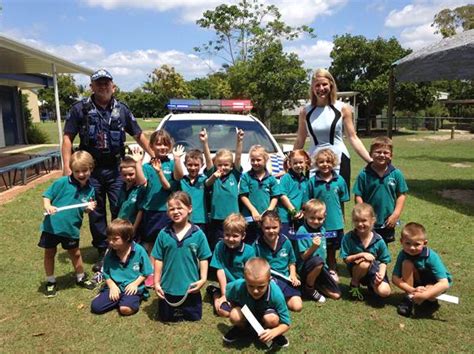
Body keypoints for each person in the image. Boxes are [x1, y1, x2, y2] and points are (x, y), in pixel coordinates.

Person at [62, 69, 154, 272]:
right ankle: (104, 251)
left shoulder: (122, 109)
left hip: (116, 169)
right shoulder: (80, 109)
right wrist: (67, 167)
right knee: (95, 211)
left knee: (121, 208)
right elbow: (68, 137)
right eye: (99, 83)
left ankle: (125, 246)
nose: (103, 86)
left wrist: (154, 154)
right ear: (91, 86)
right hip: (90, 171)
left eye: (106, 83)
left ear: (113, 86)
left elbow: (138, 134)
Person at [293, 68, 372, 189]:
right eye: (317, 85)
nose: (321, 88)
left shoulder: (343, 108)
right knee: (313, 204)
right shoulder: (305, 111)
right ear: (313, 88)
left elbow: (353, 138)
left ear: (331, 84)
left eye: (324, 84)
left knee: (337, 202)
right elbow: (300, 139)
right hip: (313, 161)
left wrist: (370, 161)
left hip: (339, 159)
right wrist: (289, 162)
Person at [39, 151, 97, 297]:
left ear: (91, 168)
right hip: (52, 227)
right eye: (77, 171)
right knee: (49, 253)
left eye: (85, 170)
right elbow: (47, 196)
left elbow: (85, 208)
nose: (81, 174)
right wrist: (48, 206)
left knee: (75, 253)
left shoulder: (90, 189)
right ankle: (51, 281)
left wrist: (88, 209)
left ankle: (80, 277)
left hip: (71, 228)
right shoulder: (62, 182)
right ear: (72, 169)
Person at [152, 192, 211, 322]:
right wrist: (156, 282)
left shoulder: (198, 234)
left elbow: (203, 258)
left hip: (190, 288)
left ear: (189, 208)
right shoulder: (163, 234)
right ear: (167, 212)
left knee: (194, 317)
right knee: (166, 318)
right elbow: (158, 259)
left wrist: (203, 279)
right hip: (168, 288)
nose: (176, 212)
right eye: (172, 209)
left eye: (180, 208)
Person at [223, 257, 291, 348]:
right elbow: (228, 294)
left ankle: (271, 333)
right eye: (250, 286)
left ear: (269, 280)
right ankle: (242, 329)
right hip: (247, 313)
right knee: (234, 315)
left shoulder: (277, 294)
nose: (255, 291)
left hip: (267, 316)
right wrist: (234, 307)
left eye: (261, 287)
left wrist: (274, 332)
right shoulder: (238, 285)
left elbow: (286, 323)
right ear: (245, 279)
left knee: (272, 319)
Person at [91, 219, 153, 316]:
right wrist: (112, 286)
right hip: (115, 286)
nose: (111, 242)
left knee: (125, 309)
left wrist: (135, 284)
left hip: (131, 287)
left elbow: (146, 272)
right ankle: (116, 298)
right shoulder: (110, 253)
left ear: (127, 237)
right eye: (109, 238)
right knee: (96, 307)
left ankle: (129, 299)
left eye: (115, 239)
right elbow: (106, 273)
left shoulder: (139, 250)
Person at [353, 136, 408, 243]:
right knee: (366, 243)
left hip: (387, 220)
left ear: (391, 155)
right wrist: (363, 214)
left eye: (386, 152)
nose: (382, 155)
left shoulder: (396, 174)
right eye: (378, 152)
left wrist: (395, 214)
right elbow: (358, 195)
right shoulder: (364, 174)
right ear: (370, 154)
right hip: (368, 220)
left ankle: (382, 260)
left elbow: (401, 195)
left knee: (383, 245)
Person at [392, 222, 452, 317]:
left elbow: (444, 283)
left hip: (433, 283)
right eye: (408, 243)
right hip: (416, 284)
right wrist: (412, 290)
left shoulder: (431, 256)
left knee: (430, 297)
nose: (412, 248)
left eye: (417, 244)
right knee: (407, 263)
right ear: (401, 241)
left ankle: (429, 300)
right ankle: (409, 299)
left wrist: (425, 294)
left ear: (425, 243)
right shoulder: (403, 254)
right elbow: (395, 278)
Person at [307, 148, 349, 281]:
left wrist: (342, 216)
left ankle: (332, 267)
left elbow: (342, 201)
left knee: (332, 247)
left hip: (335, 221)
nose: (325, 164)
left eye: (328, 161)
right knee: (319, 245)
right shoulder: (312, 182)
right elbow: (307, 203)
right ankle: (319, 269)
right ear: (316, 163)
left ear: (334, 163)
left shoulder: (340, 180)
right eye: (321, 162)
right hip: (318, 222)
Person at [207, 213, 256, 317]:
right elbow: (220, 270)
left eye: (235, 236)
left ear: (243, 236)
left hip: (243, 287)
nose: (230, 239)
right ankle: (216, 294)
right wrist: (224, 295)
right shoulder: (219, 246)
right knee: (224, 312)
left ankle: (219, 293)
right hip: (227, 287)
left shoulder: (249, 251)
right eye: (227, 235)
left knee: (249, 311)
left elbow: (250, 275)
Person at [340, 203, 391, 301]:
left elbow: (384, 260)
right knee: (364, 263)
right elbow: (346, 259)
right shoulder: (348, 238)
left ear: (373, 220)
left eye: (364, 220)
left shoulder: (378, 240)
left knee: (385, 292)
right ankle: (354, 285)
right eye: (356, 220)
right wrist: (361, 255)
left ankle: (372, 285)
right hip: (357, 269)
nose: (360, 224)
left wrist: (381, 275)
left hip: (374, 270)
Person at [253, 211, 302, 312]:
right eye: (267, 228)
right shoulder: (257, 245)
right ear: (261, 227)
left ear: (280, 226)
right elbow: (253, 266)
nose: (271, 231)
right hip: (268, 281)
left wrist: (292, 275)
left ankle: (278, 300)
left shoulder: (286, 241)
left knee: (297, 306)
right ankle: (274, 301)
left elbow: (291, 262)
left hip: (284, 279)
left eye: (274, 227)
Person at [294, 199, 341, 302]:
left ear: (325, 217)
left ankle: (316, 285)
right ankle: (309, 289)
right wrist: (313, 247)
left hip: (321, 267)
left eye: (319, 218)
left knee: (336, 295)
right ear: (305, 215)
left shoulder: (322, 230)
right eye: (312, 218)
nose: (316, 221)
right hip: (306, 267)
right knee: (318, 261)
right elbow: (303, 256)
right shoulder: (302, 231)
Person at [205, 129, 244, 249]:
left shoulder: (234, 175)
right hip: (217, 219)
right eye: (220, 165)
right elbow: (207, 161)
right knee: (217, 246)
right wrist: (205, 142)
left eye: (226, 165)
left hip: (233, 219)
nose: (223, 167)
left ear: (231, 166)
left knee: (233, 245)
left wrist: (239, 140)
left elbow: (237, 157)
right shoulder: (214, 175)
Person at [239, 145, 281, 244]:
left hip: (266, 219)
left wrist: (269, 210)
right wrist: (253, 211)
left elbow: (275, 196)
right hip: (250, 218)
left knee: (265, 242)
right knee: (250, 242)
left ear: (265, 160)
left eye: (258, 160)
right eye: (252, 160)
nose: (255, 163)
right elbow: (243, 196)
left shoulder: (271, 179)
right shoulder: (246, 177)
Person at [179, 129, 213, 232]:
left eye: (196, 165)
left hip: (201, 221)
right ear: (185, 165)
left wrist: (205, 143)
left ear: (202, 165)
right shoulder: (181, 180)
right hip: (183, 220)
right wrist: (176, 158)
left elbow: (210, 168)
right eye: (190, 165)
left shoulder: (204, 180)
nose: (193, 168)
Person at [277, 149, 311, 236]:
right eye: (295, 163)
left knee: (297, 243)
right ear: (290, 164)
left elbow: (305, 200)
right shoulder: (286, 178)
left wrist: (302, 212)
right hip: (285, 218)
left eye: (301, 162)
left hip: (299, 218)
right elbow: (282, 196)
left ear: (305, 162)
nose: (298, 165)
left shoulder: (306, 180)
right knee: (286, 242)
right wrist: (293, 210)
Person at [115, 148, 146, 231]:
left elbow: (140, 212)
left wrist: (134, 229)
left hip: (134, 227)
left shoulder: (140, 189)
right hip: (121, 226)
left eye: (131, 174)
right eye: (124, 175)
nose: (128, 177)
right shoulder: (122, 188)